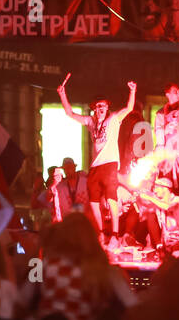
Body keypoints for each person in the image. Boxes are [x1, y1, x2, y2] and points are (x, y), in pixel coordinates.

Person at [58, 77, 137, 246]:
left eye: (103, 105)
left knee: (111, 199)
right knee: (93, 201)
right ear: (93, 108)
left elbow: (129, 108)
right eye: (97, 106)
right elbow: (70, 113)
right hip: (95, 166)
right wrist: (62, 94)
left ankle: (115, 235)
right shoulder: (91, 122)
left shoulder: (114, 119)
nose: (100, 108)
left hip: (110, 164)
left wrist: (132, 90)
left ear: (108, 107)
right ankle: (101, 234)